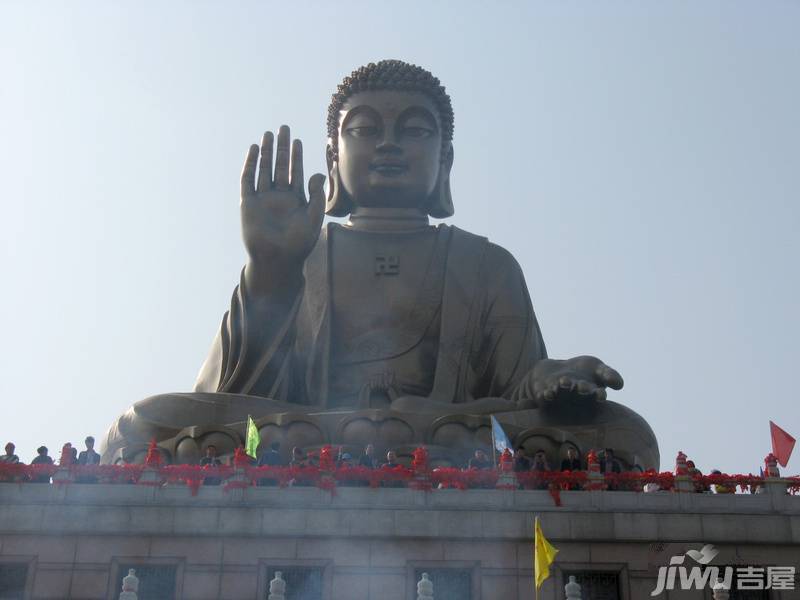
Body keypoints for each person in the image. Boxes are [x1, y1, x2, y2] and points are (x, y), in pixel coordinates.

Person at [102, 60, 659, 472]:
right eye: (365, 128)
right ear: (332, 158)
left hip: (442, 434)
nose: (389, 144)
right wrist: (269, 274)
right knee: (143, 422)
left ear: (445, 159)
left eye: (413, 129)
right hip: (312, 430)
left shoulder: (486, 264)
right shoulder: (304, 253)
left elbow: (517, 396)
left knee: (624, 433)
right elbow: (226, 391)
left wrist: (548, 383)